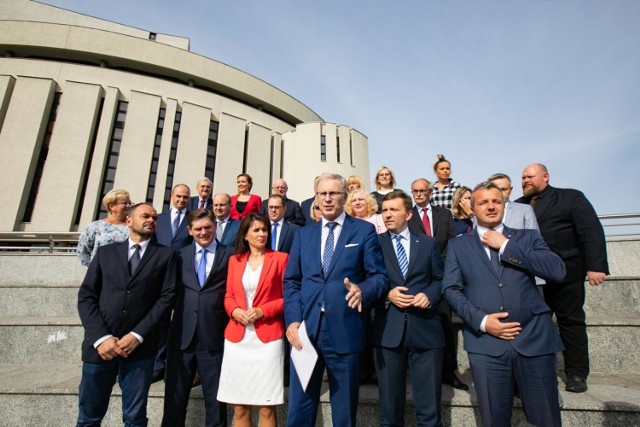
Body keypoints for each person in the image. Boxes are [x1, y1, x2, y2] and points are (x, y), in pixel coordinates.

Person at [442, 182, 566, 427]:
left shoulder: (527, 237)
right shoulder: (458, 245)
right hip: (486, 345)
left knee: (546, 419)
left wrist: (507, 246)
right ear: (472, 209)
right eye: (483, 202)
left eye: (496, 202)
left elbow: (557, 270)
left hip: (534, 340)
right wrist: (482, 321)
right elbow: (450, 289)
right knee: (494, 420)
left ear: (505, 206)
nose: (491, 207)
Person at [284, 172, 389, 427]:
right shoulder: (303, 235)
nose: (328, 199)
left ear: (344, 196)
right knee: (299, 408)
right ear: (316, 199)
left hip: (345, 330)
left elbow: (379, 277)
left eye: (334, 193)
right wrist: (293, 321)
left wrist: (363, 290)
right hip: (306, 331)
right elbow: (292, 281)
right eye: (323, 194)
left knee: (344, 412)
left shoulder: (363, 231)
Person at [76, 202, 177, 427]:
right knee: (88, 417)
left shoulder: (166, 256)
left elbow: (166, 299)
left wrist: (137, 335)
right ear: (129, 221)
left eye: (154, 217)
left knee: (134, 418)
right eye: (145, 216)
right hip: (99, 349)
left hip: (140, 350)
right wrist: (102, 338)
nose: (151, 220)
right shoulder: (105, 253)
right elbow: (86, 296)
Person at [516, 163, 609, 393]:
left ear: (545, 177)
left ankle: (576, 373)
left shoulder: (571, 198)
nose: (525, 180)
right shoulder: (518, 205)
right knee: (533, 326)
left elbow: (591, 231)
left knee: (570, 322)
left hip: (566, 274)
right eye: (523, 177)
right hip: (531, 277)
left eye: (530, 176)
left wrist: (596, 266)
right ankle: (531, 374)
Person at [373, 190, 445, 426]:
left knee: (429, 409)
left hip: (425, 330)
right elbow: (367, 279)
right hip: (388, 332)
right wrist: (387, 293)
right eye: (384, 210)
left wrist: (429, 295)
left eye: (394, 209)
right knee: (390, 410)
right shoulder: (374, 243)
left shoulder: (427, 242)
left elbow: (440, 279)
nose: (388, 215)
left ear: (409, 213)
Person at [162, 209, 233, 427]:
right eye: (198, 229)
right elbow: (169, 292)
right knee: (175, 398)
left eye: (208, 227)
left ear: (215, 226)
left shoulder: (230, 254)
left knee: (215, 401)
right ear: (189, 231)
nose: (204, 232)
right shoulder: (179, 255)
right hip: (182, 335)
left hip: (214, 336)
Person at [217, 213, 288, 427]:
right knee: (239, 406)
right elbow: (228, 295)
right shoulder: (235, 261)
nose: (262, 234)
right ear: (245, 235)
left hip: (268, 339)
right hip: (237, 339)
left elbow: (289, 297)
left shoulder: (281, 258)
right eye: (256, 230)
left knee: (267, 406)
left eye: (264, 229)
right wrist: (235, 311)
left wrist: (263, 310)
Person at [407, 178, 467, 391]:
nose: (419, 194)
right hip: (417, 278)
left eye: (423, 190)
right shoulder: (408, 215)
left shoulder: (444, 214)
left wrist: (447, 269)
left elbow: (453, 242)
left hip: (442, 276)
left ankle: (448, 371)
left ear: (430, 192)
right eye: (415, 191)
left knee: (445, 324)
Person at [76, 189, 131, 266]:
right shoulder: (95, 226)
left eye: (130, 203)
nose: (129, 206)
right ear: (111, 206)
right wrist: (94, 269)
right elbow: (82, 251)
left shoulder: (133, 226)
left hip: (127, 274)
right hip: (101, 274)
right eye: (124, 203)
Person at [155, 183, 193, 251]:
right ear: (172, 196)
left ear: (189, 199)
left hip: (182, 259)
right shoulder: (158, 218)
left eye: (185, 197)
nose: (181, 200)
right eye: (178, 196)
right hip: (161, 259)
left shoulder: (193, 219)